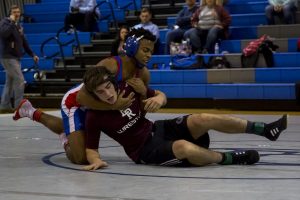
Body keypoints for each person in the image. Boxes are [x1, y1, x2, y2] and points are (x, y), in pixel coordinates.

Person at [82, 66, 288, 170]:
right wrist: (96, 160)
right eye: (100, 92)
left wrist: (159, 100)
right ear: (94, 96)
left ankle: (264, 129)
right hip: (144, 150)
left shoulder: (129, 87)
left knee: (202, 118)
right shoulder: (94, 116)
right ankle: (231, 158)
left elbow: (160, 94)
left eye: (108, 87)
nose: (108, 94)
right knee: (183, 147)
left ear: (114, 83)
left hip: (158, 129)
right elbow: (91, 149)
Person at [13, 28, 157, 164]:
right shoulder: (111, 65)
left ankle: (65, 128)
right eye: (145, 50)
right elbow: (81, 97)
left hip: (100, 104)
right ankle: (36, 116)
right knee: (81, 158)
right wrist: (115, 106)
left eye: (151, 51)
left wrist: (145, 95)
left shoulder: (144, 74)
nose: (149, 55)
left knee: (75, 131)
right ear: (132, 47)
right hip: (76, 103)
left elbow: (141, 108)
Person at [0, 5, 39, 113]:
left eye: (18, 12)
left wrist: (32, 54)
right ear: (10, 13)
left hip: (16, 58)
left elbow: (24, 42)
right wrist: (12, 22)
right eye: (14, 12)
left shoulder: (18, 26)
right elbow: (4, 34)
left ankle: (4, 106)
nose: (17, 14)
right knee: (20, 80)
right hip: (8, 57)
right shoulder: (5, 22)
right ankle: (19, 107)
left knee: (10, 82)